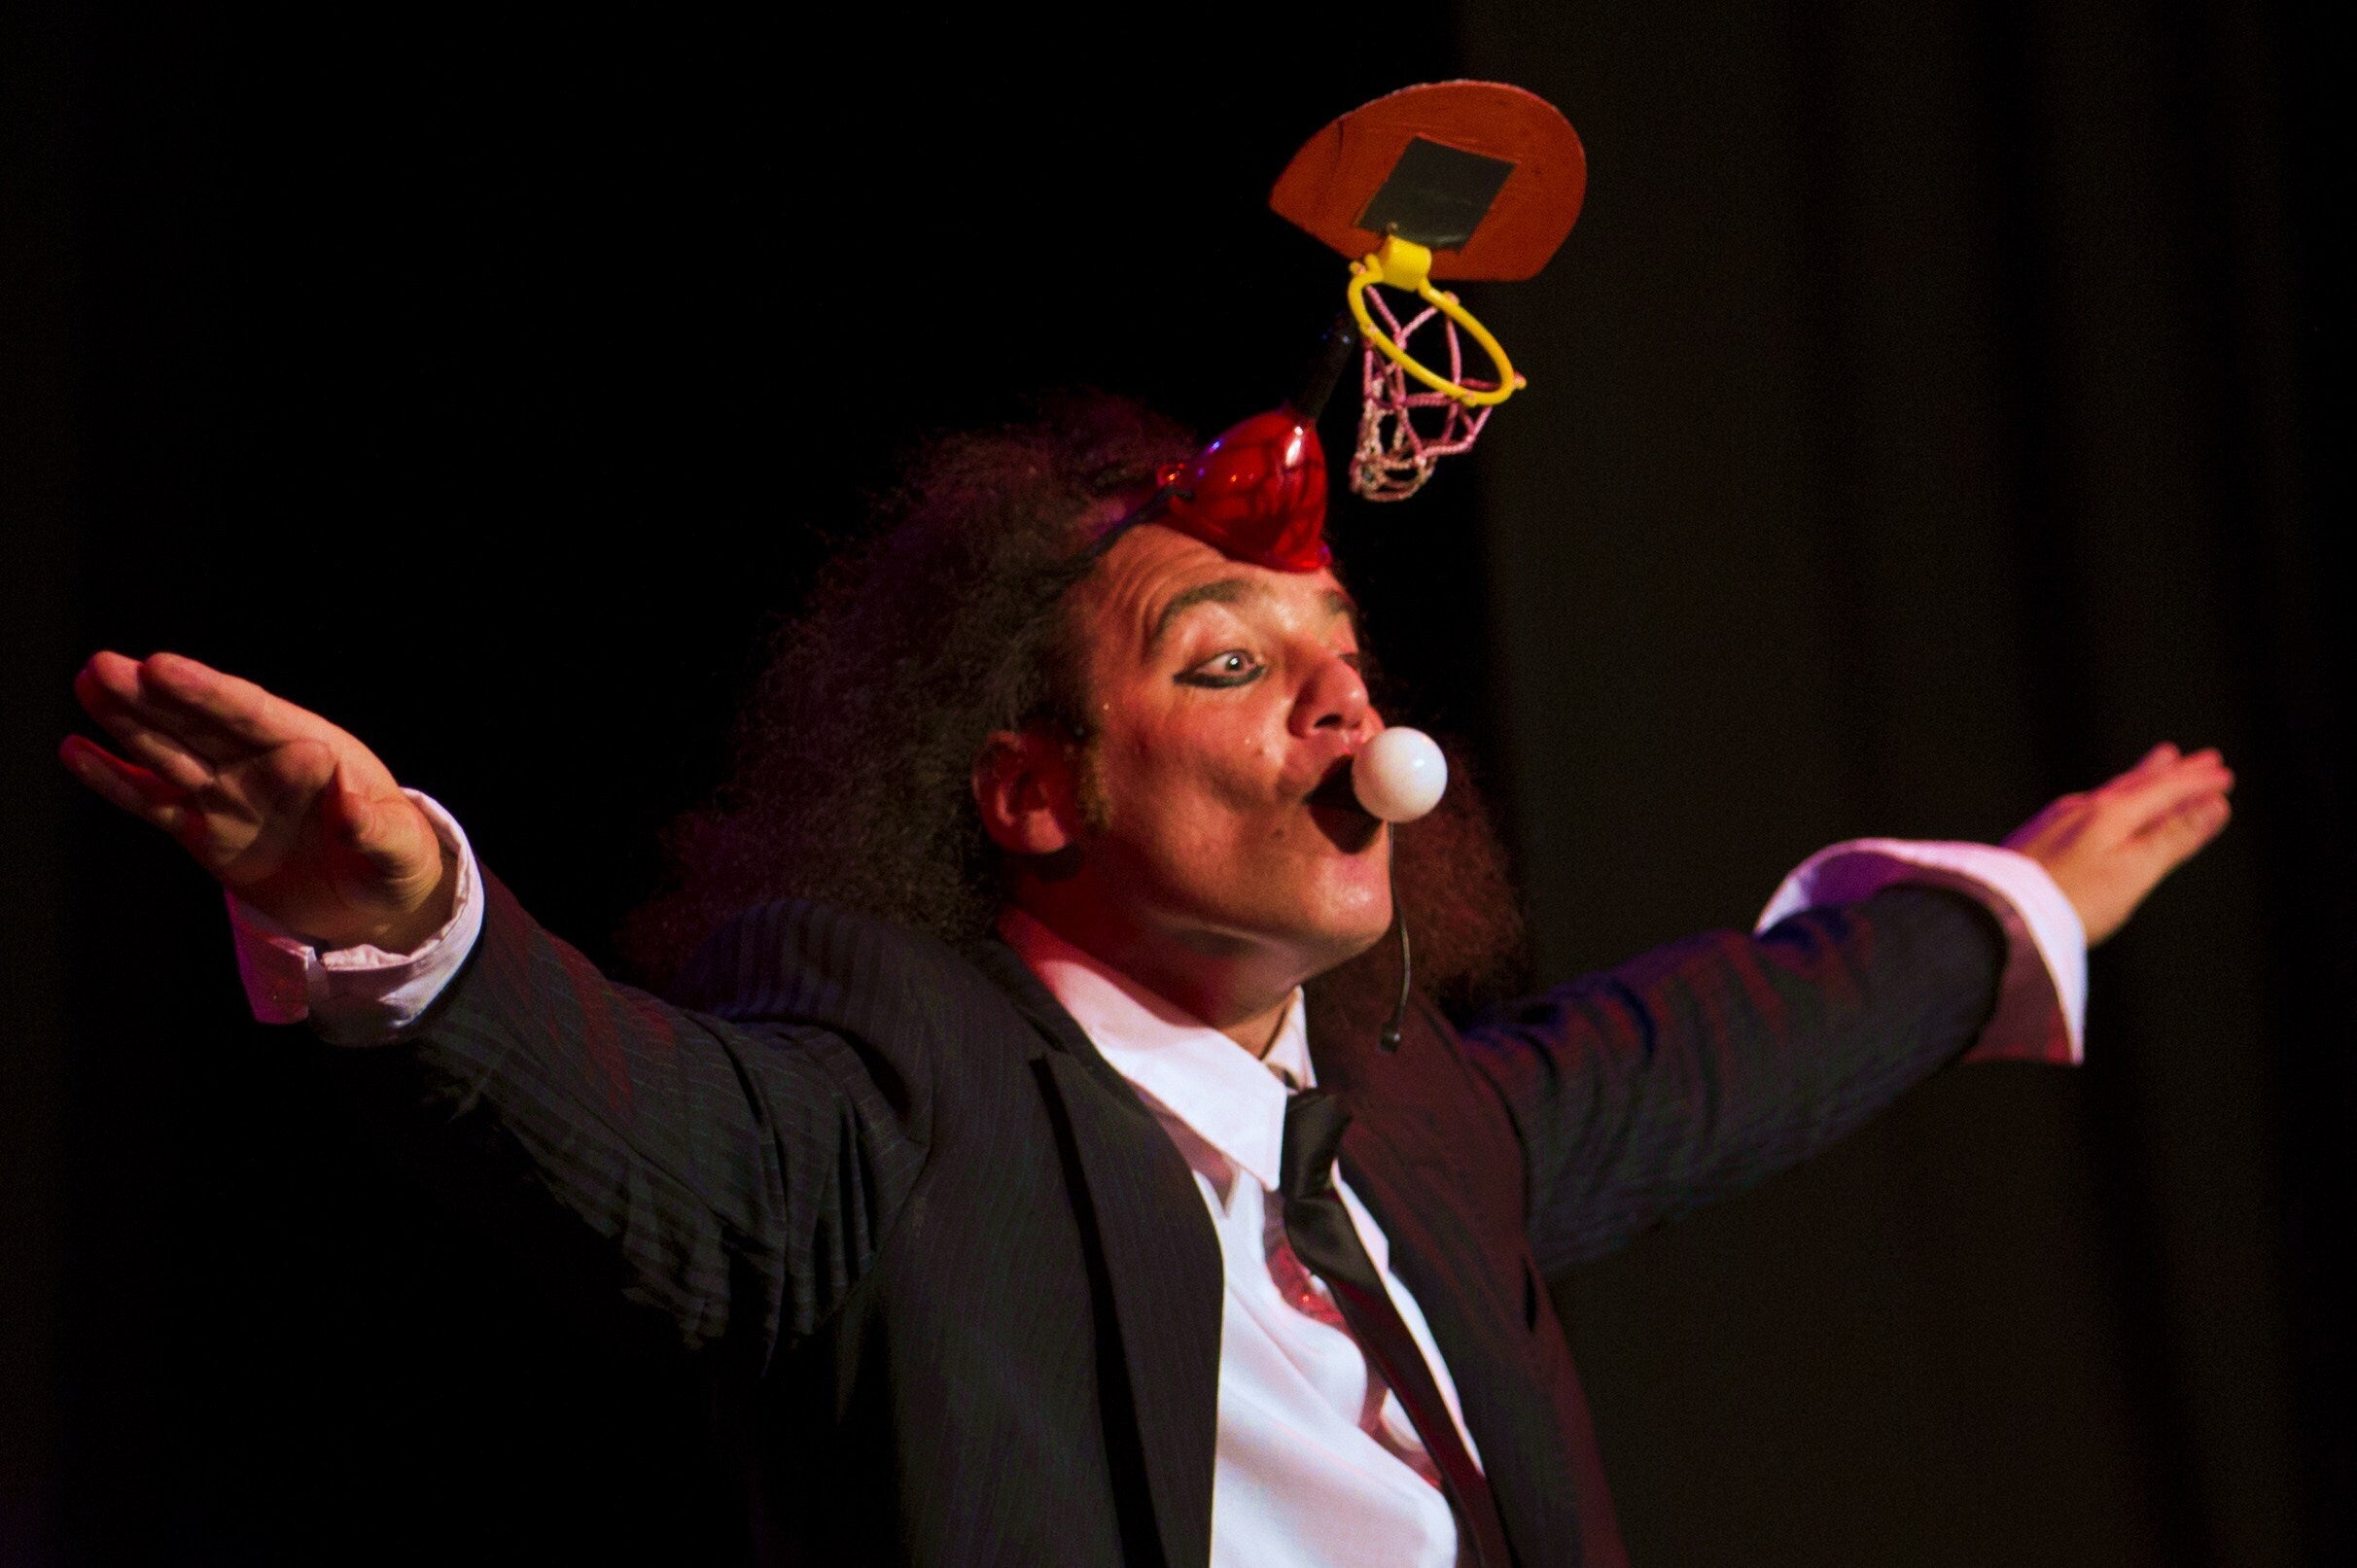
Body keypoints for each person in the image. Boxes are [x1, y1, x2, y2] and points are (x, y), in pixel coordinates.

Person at [59, 396, 2233, 1567]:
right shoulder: (906, 1097)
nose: (1345, 709)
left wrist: (2001, 911)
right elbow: (650, 1136)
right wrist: (400, 909)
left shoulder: (1421, 1127)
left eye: (1341, 659)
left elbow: (1721, 1055)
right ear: (1032, 792)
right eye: (1225, 664)